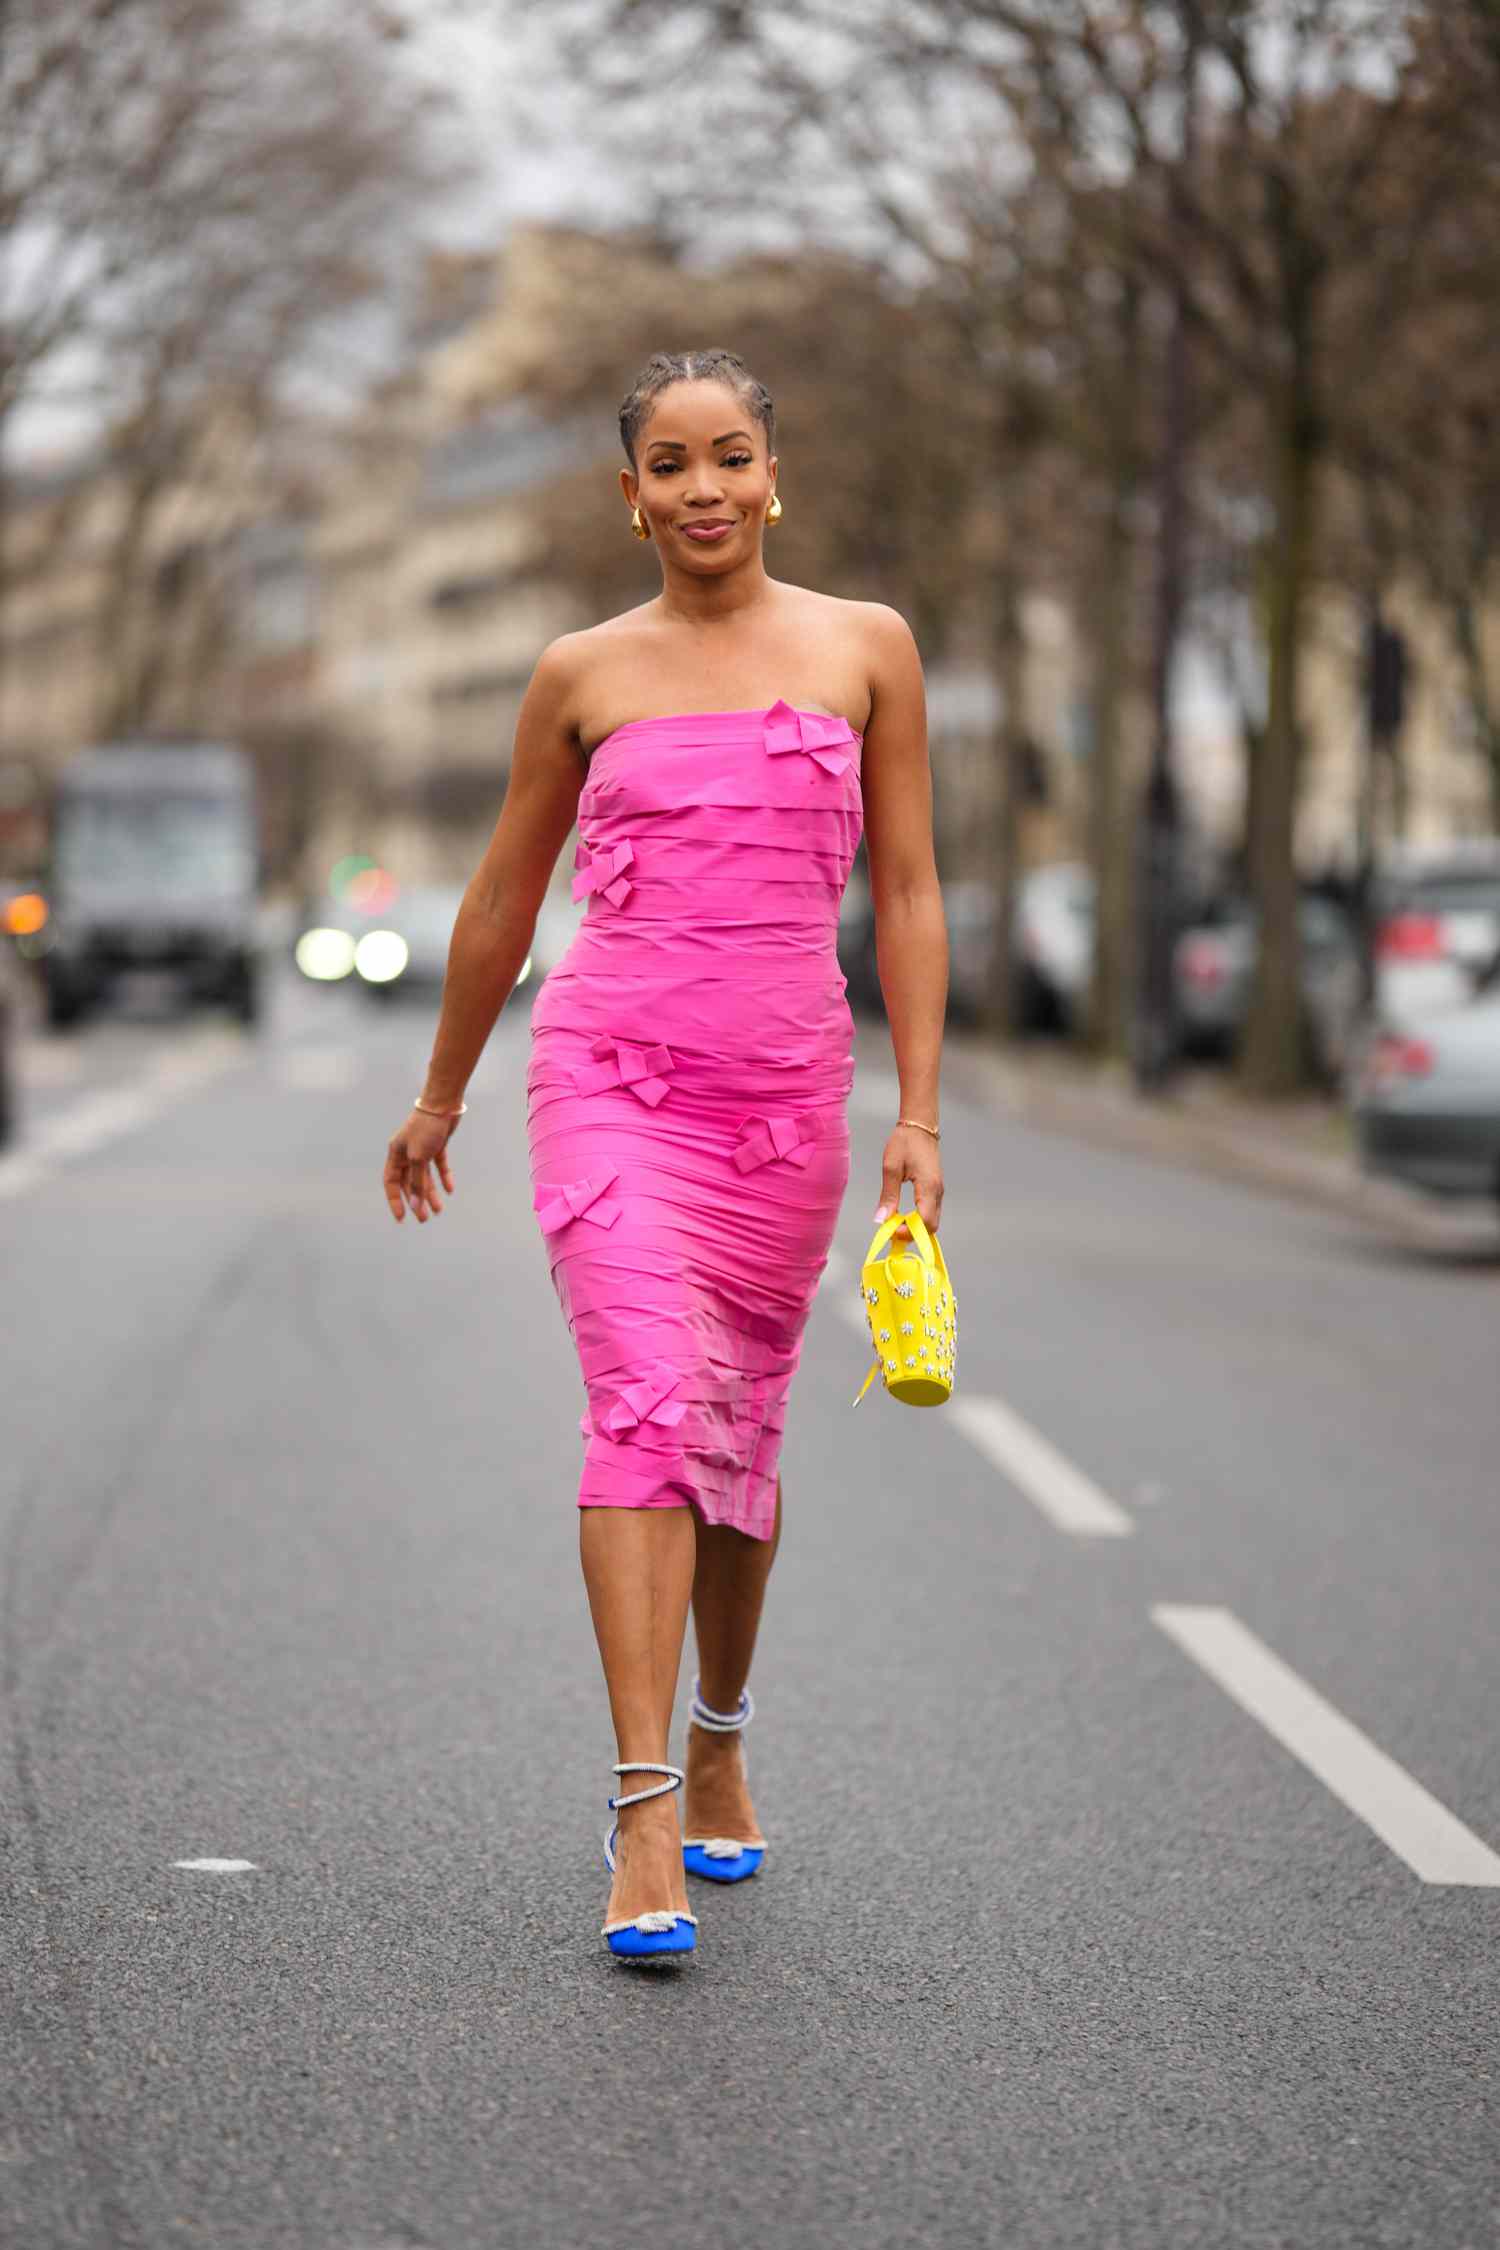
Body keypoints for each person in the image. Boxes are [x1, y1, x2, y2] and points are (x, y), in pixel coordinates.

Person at [382, 348, 948, 1963]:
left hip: (783, 1102)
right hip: (608, 1080)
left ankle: (721, 1725)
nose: (704, 486)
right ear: (629, 498)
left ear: (774, 474)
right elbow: (503, 897)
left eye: (731, 455)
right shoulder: (578, 672)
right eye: (671, 464)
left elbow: (906, 889)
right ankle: (645, 1805)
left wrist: (915, 1109)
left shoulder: (867, 648)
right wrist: (444, 1090)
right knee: (641, 1401)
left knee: (739, 1430)